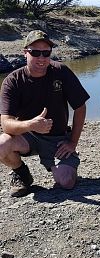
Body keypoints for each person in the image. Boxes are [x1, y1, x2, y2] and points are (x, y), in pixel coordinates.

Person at [0, 30, 90, 197]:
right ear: (25, 53)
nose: (41, 58)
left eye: (46, 52)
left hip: (57, 140)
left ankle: (63, 166)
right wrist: (30, 125)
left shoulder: (61, 72)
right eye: (35, 52)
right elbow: (5, 124)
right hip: (27, 136)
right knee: (1, 144)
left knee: (67, 183)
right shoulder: (12, 81)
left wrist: (72, 142)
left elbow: (80, 107)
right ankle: (21, 173)